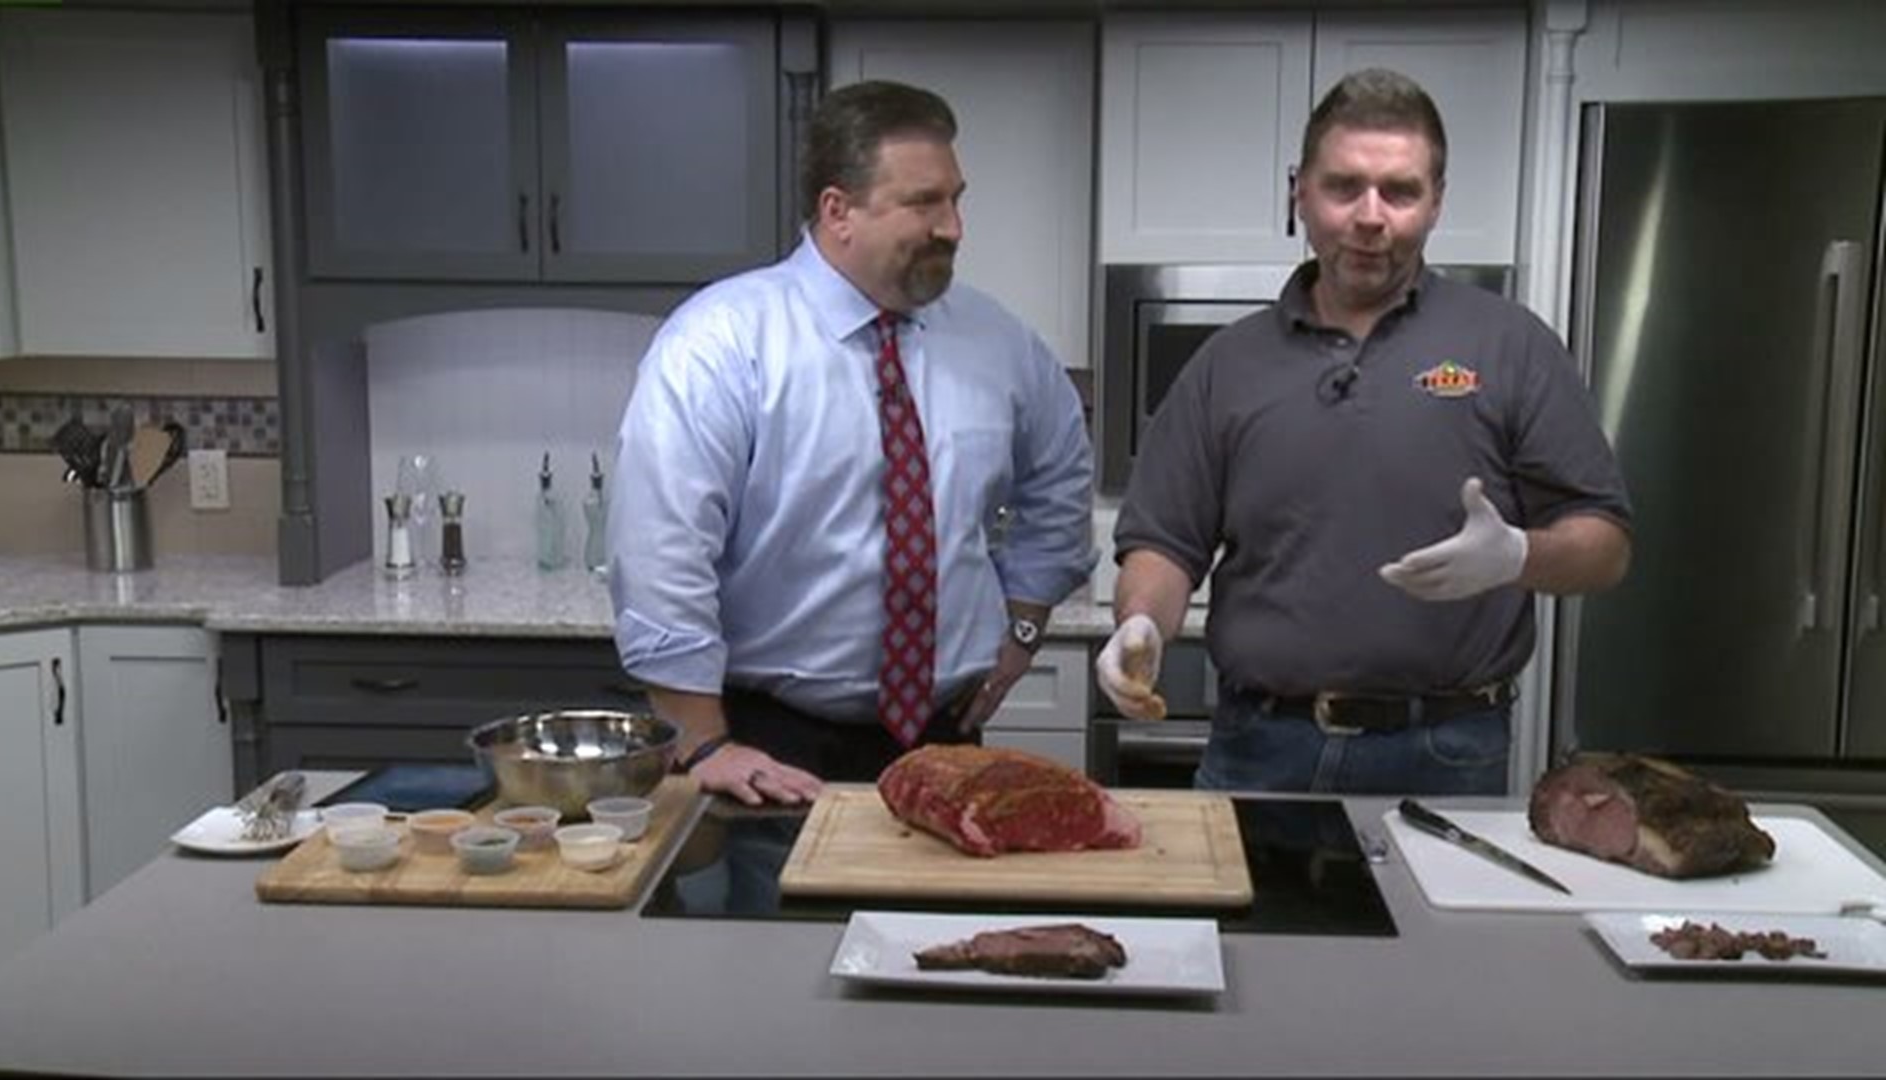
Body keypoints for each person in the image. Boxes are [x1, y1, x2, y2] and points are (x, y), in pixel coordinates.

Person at [1095, 68, 1633, 796]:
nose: (1370, 215)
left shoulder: (1511, 344)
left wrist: (1517, 557)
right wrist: (1141, 627)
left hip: (1449, 752)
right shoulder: (1227, 363)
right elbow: (1165, 543)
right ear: (1300, 192)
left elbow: (1604, 549)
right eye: (1344, 186)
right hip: (1259, 748)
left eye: (1401, 191)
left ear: (1436, 201)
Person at [609, 80, 1095, 807]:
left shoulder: (997, 342)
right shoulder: (721, 343)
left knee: (941, 928)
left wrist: (1025, 622)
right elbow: (661, 550)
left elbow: (1061, 472)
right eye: (925, 203)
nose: (955, 227)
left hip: (945, 739)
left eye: (957, 199)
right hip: (768, 748)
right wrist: (701, 741)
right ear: (838, 210)